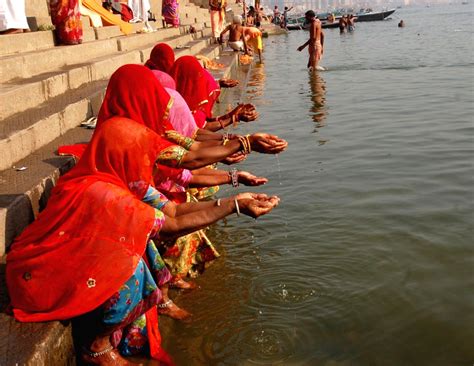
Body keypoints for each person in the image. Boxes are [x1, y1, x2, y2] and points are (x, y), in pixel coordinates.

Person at [6, 117, 280, 365]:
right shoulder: (102, 192)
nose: (147, 162)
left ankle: (142, 317)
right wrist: (235, 206)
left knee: (139, 244)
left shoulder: (118, 176)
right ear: (124, 155)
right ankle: (95, 348)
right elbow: (169, 226)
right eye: (141, 155)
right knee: (131, 267)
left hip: (62, 262)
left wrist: (233, 200)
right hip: (41, 278)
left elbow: (170, 211)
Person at [170, 56, 259, 130]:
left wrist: (232, 114)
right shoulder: (178, 106)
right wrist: (235, 118)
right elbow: (200, 130)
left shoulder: (179, 96)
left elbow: (206, 122)